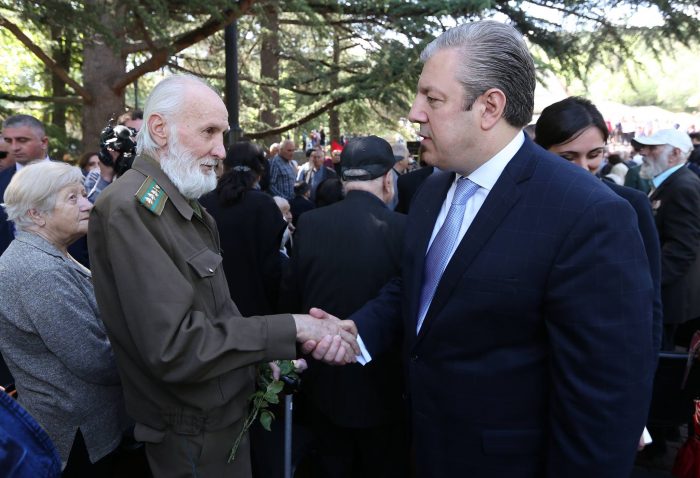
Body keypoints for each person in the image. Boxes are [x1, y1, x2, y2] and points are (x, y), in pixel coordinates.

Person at [308, 21, 655, 478]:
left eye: (432, 99)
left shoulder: (587, 213)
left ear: (489, 107)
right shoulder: (432, 190)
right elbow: (420, 285)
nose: (414, 113)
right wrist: (359, 331)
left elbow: (604, 401)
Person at [87, 74, 358, 477]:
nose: (220, 150)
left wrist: (259, 360)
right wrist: (295, 327)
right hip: (192, 433)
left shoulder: (181, 202)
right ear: (159, 129)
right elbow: (174, 347)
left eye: (223, 134)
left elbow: (216, 312)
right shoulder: (133, 208)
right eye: (208, 132)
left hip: (218, 418)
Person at [282, 135, 408, 478]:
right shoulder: (405, 229)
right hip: (384, 387)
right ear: (388, 180)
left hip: (322, 382)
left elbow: (290, 296)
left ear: (342, 181)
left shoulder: (310, 224)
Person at [0, 161, 132, 475]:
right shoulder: (38, 272)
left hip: (82, 428)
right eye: (73, 198)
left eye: (83, 195)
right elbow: (93, 359)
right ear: (36, 214)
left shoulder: (47, 253)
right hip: (78, 438)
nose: (88, 204)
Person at [534, 96, 662, 353]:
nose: (583, 168)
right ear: (540, 152)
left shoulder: (631, 204)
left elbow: (651, 299)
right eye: (568, 157)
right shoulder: (528, 204)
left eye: (594, 155)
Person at [199, 141, 287, 316]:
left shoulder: (204, 202)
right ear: (260, 172)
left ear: (223, 167)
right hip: (258, 309)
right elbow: (273, 266)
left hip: (213, 308)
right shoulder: (265, 205)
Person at [633, 129, 700, 350]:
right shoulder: (672, 182)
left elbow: (682, 248)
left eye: (653, 148)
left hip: (671, 297)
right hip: (668, 295)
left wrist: (647, 281)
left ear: (675, 154)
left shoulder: (682, 186)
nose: (643, 152)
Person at [1, 114, 50, 256]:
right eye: (8, 141)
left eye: (22, 140)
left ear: (44, 142)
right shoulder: (2, 181)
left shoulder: (73, 177)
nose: (14, 147)